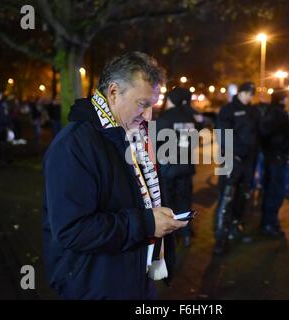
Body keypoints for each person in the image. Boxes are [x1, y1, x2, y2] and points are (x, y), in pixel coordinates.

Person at [42, 52, 187, 300]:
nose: (149, 116)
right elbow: (72, 230)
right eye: (142, 104)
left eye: (153, 105)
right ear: (113, 92)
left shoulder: (134, 135)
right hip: (95, 284)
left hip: (134, 278)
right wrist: (148, 223)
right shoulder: (74, 144)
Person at [214, 81, 258, 254]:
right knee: (226, 198)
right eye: (247, 93)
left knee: (243, 196)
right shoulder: (228, 109)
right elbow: (223, 134)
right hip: (231, 161)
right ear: (240, 93)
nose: (249, 97)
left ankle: (235, 228)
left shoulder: (252, 110)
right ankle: (220, 238)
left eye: (252, 94)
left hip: (248, 162)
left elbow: (257, 134)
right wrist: (237, 153)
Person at [156, 87, 196, 247]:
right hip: (186, 167)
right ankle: (186, 233)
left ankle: (171, 235)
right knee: (185, 200)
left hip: (168, 168)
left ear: (171, 99)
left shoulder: (164, 118)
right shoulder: (189, 117)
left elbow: (152, 142)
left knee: (169, 202)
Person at [258, 88, 289, 238]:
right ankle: (269, 224)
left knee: (272, 191)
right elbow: (270, 133)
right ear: (281, 99)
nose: (287, 100)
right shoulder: (277, 113)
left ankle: (270, 223)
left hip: (273, 156)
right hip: (276, 157)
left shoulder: (271, 112)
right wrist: (281, 142)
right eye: (285, 98)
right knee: (275, 192)